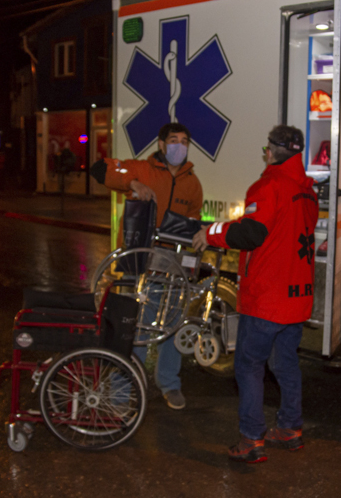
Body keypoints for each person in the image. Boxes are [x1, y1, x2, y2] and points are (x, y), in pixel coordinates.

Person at [192, 125, 318, 463]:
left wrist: (211, 232)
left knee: (248, 365)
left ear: (272, 151)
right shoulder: (308, 192)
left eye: (267, 148)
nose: (265, 153)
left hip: (267, 298)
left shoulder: (268, 186)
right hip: (296, 297)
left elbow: (251, 233)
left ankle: (251, 439)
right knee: (286, 365)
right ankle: (290, 428)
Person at [90, 122, 203, 410]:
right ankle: (120, 391)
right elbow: (100, 169)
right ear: (162, 144)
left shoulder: (192, 183)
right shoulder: (141, 169)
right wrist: (132, 183)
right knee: (134, 328)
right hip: (139, 263)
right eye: (174, 140)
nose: (180, 146)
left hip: (172, 265)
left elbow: (194, 221)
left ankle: (169, 384)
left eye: (185, 141)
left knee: (172, 325)